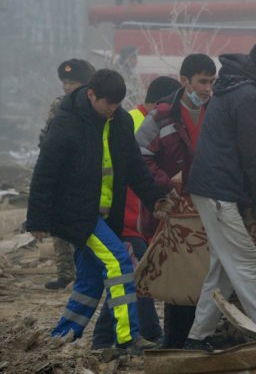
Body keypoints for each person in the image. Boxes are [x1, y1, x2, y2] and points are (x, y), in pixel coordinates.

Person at [26, 69, 173, 355]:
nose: (113, 110)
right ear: (91, 94)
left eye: (118, 105)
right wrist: (37, 219)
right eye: (109, 104)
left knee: (90, 282)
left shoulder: (120, 122)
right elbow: (45, 172)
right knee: (120, 263)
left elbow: (135, 167)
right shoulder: (66, 123)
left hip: (105, 214)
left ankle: (60, 339)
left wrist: (155, 197)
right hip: (77, 214)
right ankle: (127, 337)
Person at [184, 38, 256, 351]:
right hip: (219, 191)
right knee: (247, 262)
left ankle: (196, 339)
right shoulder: (246, 95)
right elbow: (250, 153)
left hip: (211, 187)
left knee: (223, 270)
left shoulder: (230, 86)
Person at [91, 75, 182, 351]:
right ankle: (111, 338)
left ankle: (139, 333)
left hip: (137, 216)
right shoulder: (135, 122)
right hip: (128, 219)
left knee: (135, 277)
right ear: (161, 104)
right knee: (134, 276)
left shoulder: (128, 118)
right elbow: (130, 175)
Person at [135, 54, 217, 349]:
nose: (208, 88)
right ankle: (174, 342)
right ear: (185, 81)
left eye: (211, 81)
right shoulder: (162, 116)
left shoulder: (215, 111)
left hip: (204, 209)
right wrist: (167, 182)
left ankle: (196, 339)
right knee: (178, 276)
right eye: (202, 81)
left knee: (203, 273)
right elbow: (139, 157)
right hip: (172, 210)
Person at [41, 58, 96, 291]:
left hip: (86, 176)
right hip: (61, 173)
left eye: (72, 82)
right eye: (65, 82)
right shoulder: (59, 105)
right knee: (58, 226)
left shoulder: (96, 107)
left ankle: (85, 273)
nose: (67, 87)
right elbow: (47, 136)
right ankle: (65, 273)